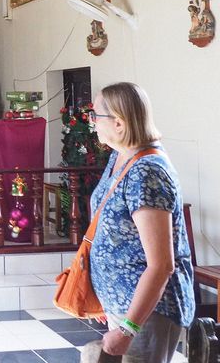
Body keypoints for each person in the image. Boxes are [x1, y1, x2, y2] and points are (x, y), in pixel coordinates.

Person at [84, 82, 194, 362]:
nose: (92, 122)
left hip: (146, 311)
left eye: (96, 115)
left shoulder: (147, 172)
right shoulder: (120, 156)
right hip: (121, 301)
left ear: (119, 122)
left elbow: (161, 265)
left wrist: (128, 328)